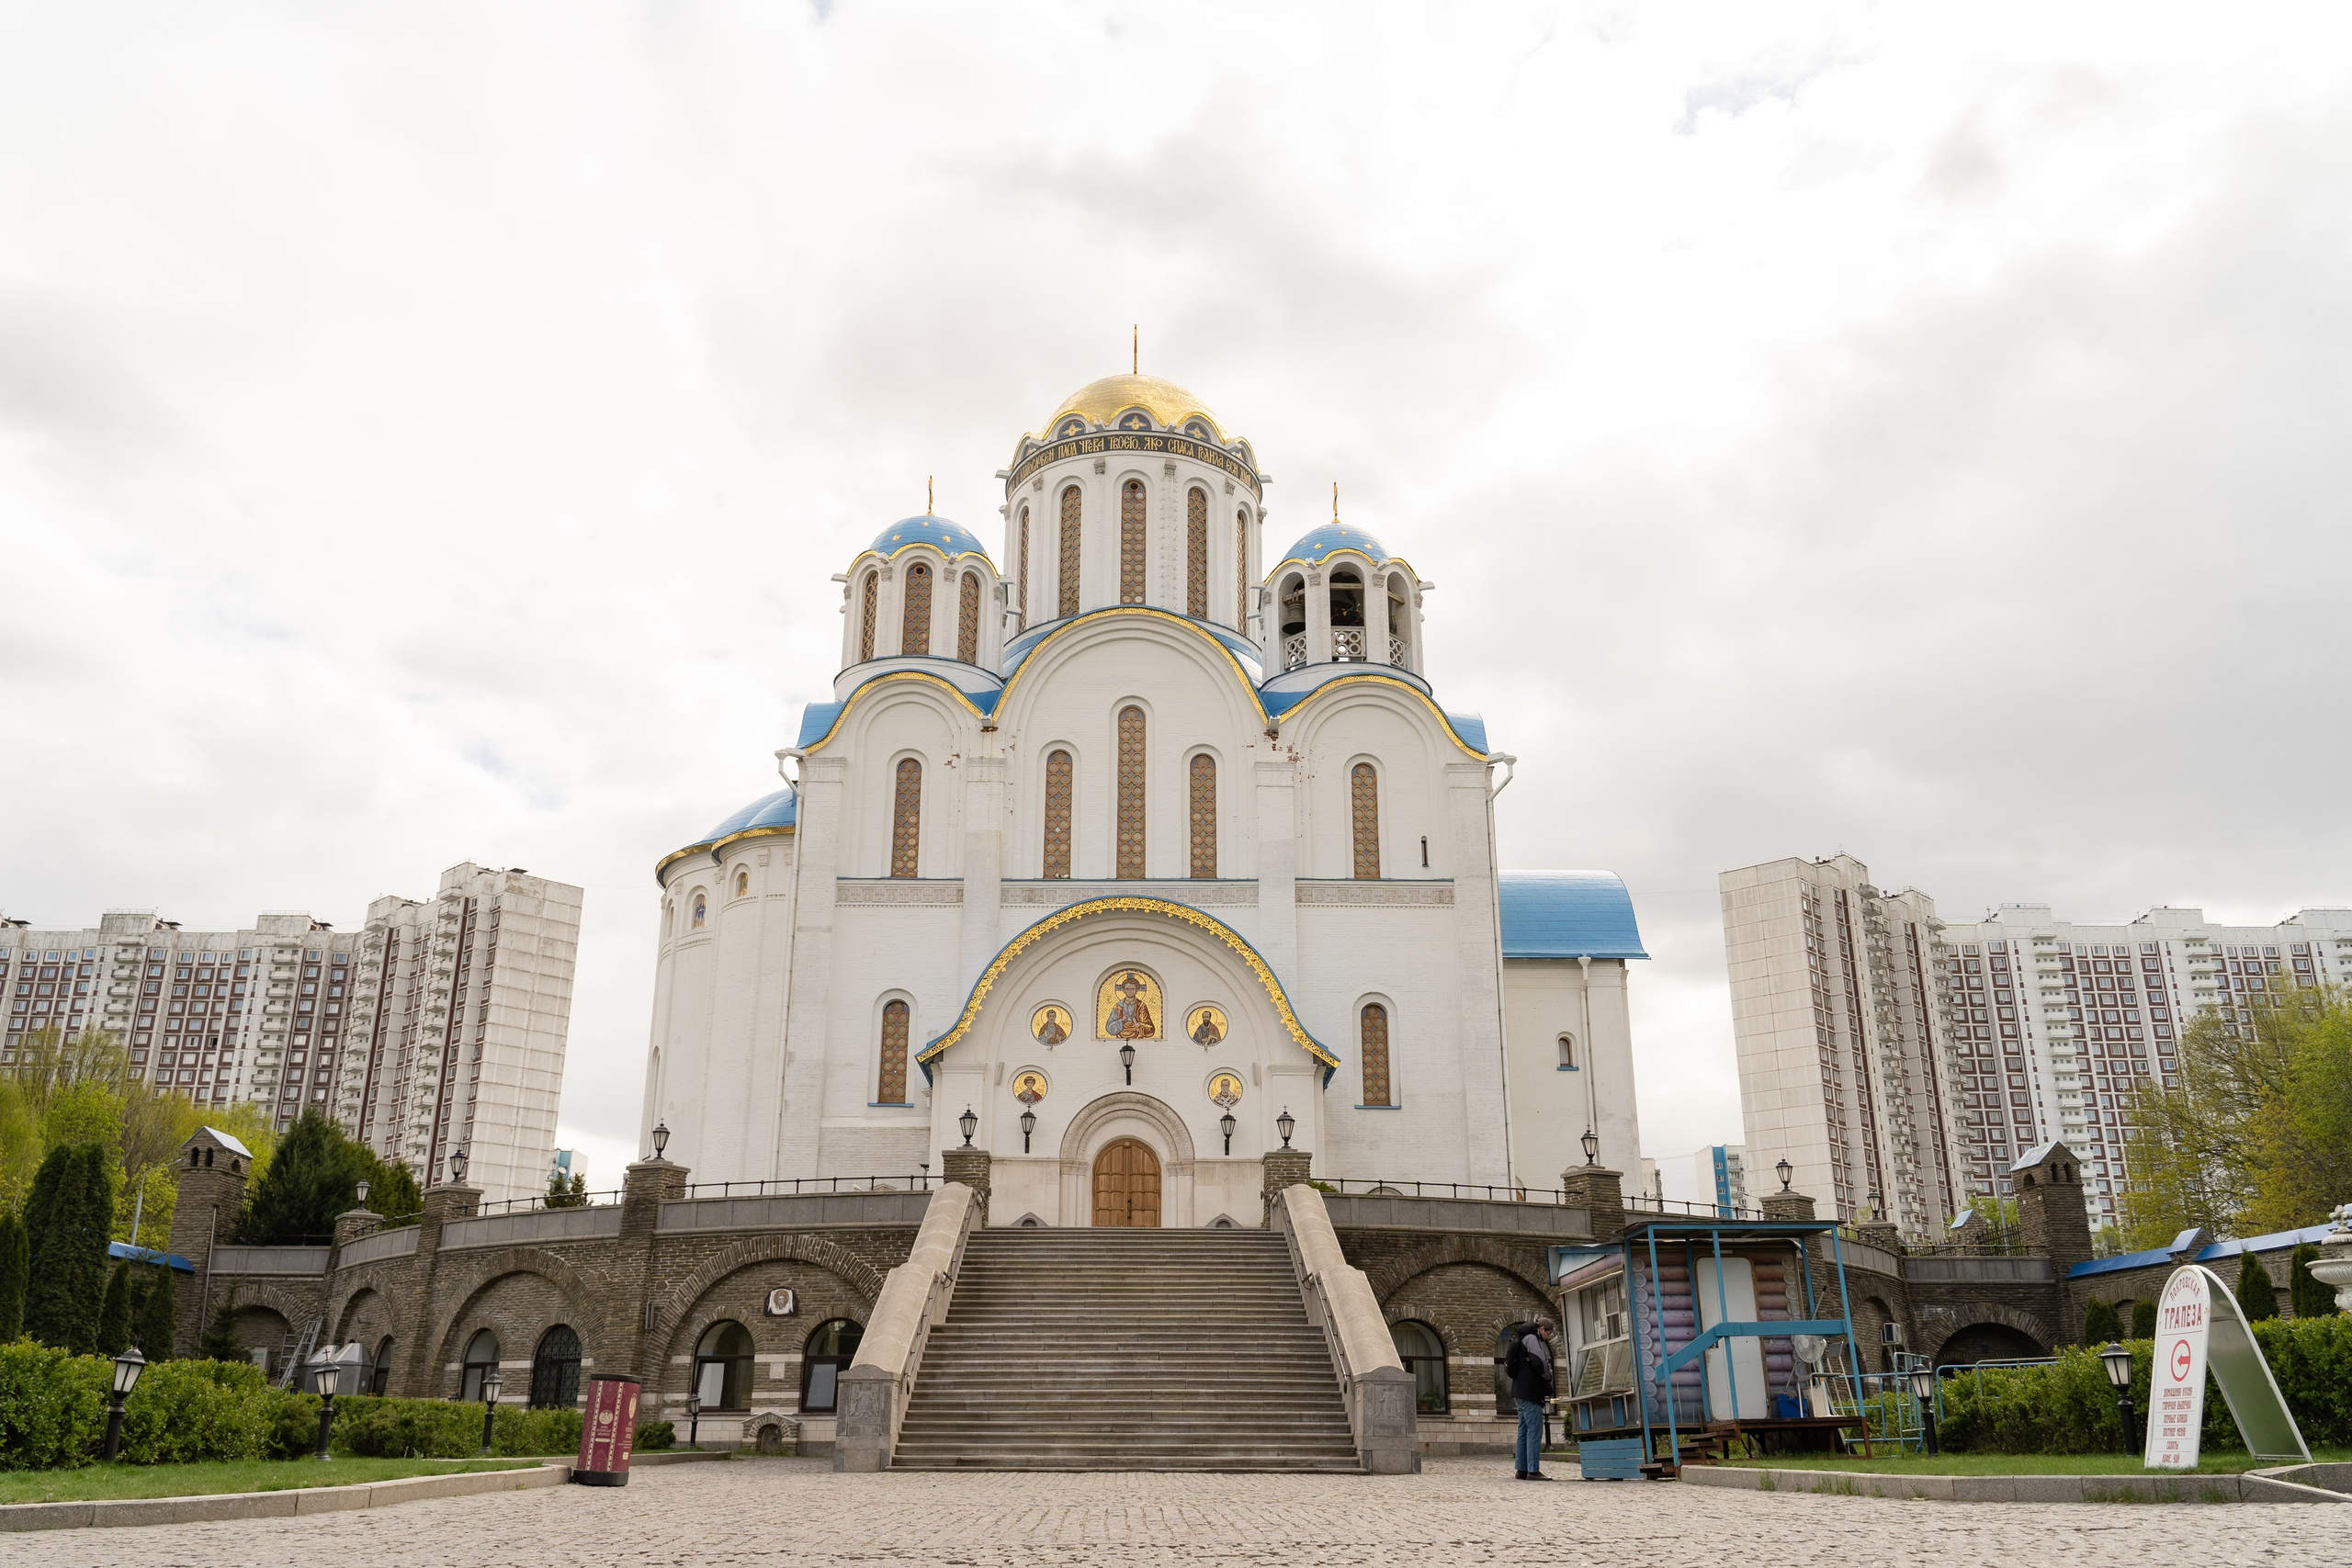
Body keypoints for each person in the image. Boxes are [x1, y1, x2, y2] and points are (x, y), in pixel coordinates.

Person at [1508, 1319, 1556, 1480]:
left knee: (1523, 1430)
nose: (1548, 1337)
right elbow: (1539, 1360)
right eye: (1548, 1333)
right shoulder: (1532, 1338)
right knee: (1534, 1430)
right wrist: (1548, 1376)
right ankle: (1533, 1470)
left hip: (1519, 1391)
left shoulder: (1522, 1338)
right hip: (1530, 1392)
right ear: (1542, 1329)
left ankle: (1521, 1469)